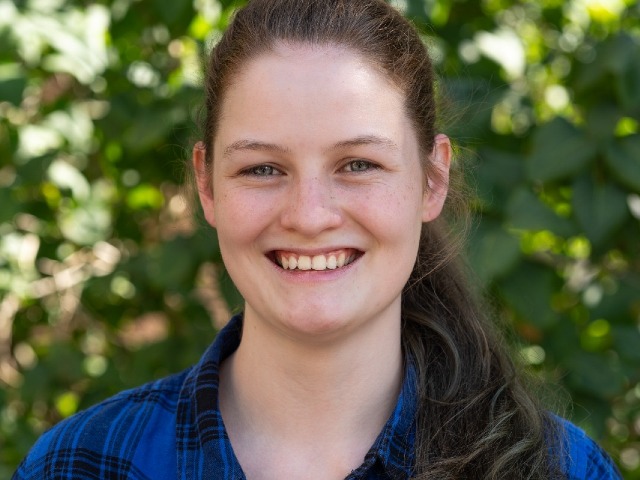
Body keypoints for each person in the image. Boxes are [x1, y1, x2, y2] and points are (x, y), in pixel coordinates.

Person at [13, 0, 622, 478]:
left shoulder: (560, 470)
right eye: (262, 168)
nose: (309, 216)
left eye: (358, 164)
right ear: (207, 185)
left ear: (432, 180)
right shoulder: (83, 464)